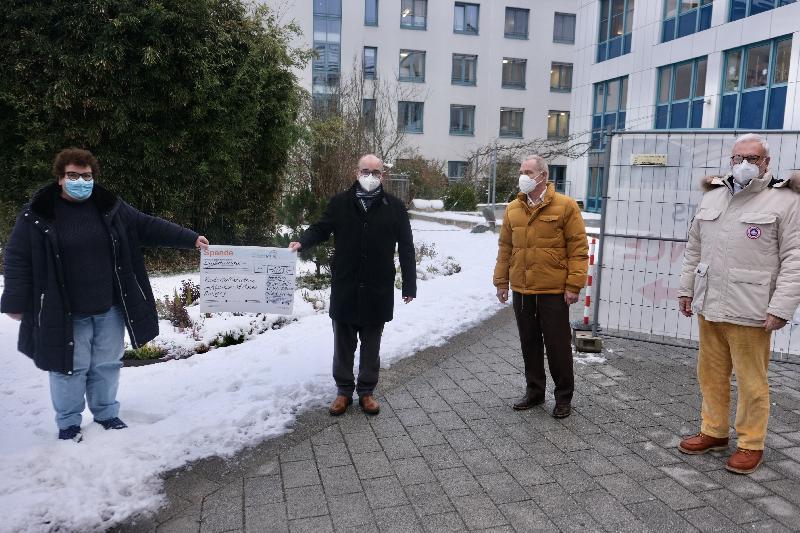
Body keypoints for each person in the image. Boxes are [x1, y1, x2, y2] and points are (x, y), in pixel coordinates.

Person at [1, 148, 209, 442]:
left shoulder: (110, 207)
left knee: (107, 363)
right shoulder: (37, 214)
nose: (80, 181)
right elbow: (17, 257)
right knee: (68, 367)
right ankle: (69, 423)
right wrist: (15, 300)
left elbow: (146, 225)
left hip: (109, 306)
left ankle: (106, 413)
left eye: (86, 176)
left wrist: (190, 238)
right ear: (60, 178)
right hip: (65, 310)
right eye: (73, 175)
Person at [678, 133, 800, 474]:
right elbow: (694, 250)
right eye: (738, 158)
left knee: (751, 381)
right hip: (710, 304)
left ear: (766, 163)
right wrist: (686, 290)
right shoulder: (715, 196)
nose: (744, 164)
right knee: (711, 374)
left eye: (753, 158)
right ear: (731, 160)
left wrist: (781, 308)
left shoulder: (786, 200)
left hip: (752, 309)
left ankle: (750, 443)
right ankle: (714, 431)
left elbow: (795, 258)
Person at [289, 154, 415, 416]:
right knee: (343, 345)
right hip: (346, 286)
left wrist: (409, 286)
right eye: (365, 171)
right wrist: (302, 242)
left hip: (377, 288)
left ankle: (367, 392)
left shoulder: (394, 207)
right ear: (356, 172)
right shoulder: (340, 203)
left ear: (383, 176)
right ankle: (343, 391)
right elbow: (321, 228)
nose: (370, 176)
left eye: (376, 172)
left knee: (372, 345)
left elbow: (406, 246)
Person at [493, 155, 589, 418]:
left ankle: (563, 397)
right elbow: (505, 249)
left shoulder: (565, 206)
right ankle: (534, 391)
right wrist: (502, 281)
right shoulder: (513, 208)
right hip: (523, 290)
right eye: (521, 171)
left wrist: (574, 285)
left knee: (557, 346)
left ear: (543, 176)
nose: (523, 175)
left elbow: (579, 250)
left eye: (528, 171)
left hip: (553, 291)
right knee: (529, 343)